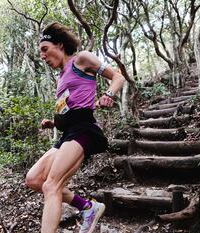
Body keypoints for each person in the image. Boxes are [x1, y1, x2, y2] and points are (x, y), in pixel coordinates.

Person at [25, 22, 125, 233]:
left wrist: (108, 94)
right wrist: (53, 123)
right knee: (34, 179)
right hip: (68, 131)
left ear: (60, 45)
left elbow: (118, 77)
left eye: (45, 49)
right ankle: (87, 207)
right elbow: (68, 107)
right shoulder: (61, 77)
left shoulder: (81, 59)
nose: (42, 56)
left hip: (83, 130)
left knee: (51, 185)